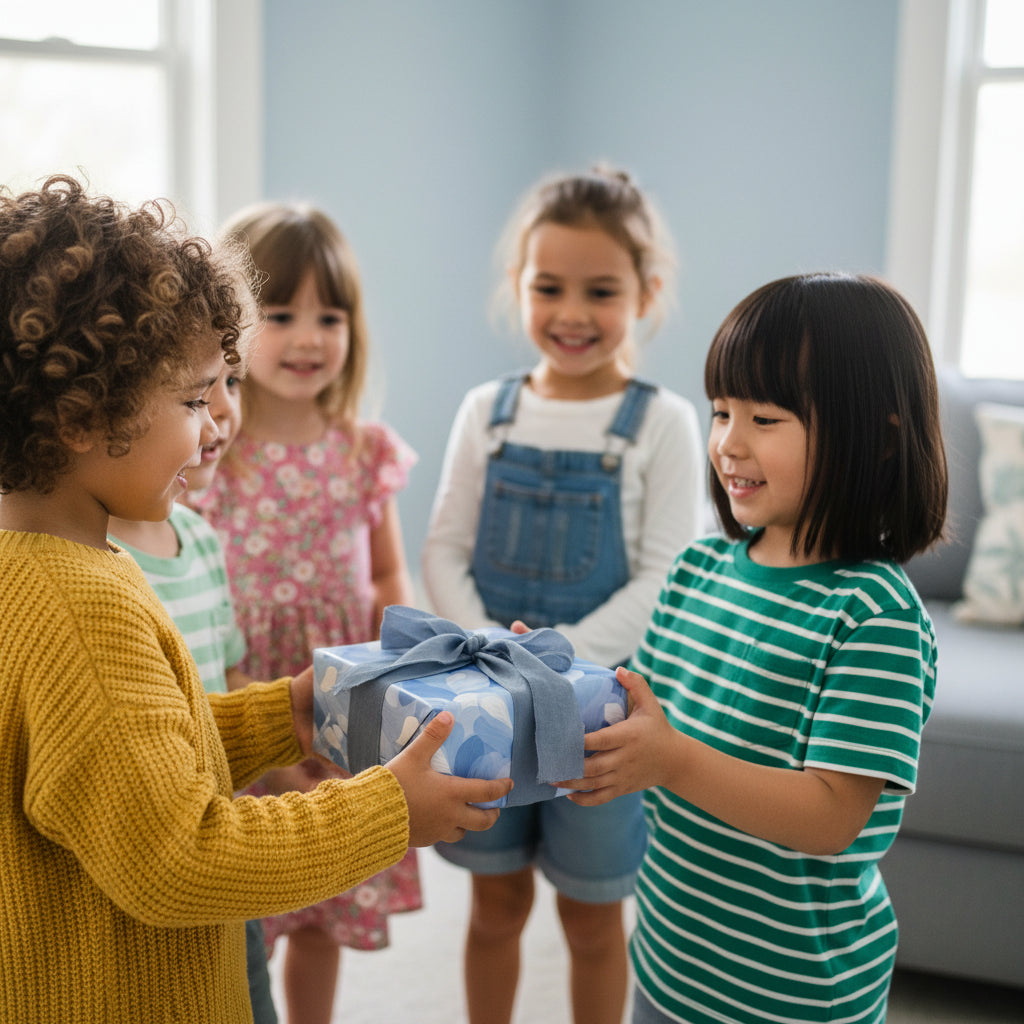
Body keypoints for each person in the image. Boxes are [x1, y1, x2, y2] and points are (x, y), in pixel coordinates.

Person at [0, 175, 511, 1024]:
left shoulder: (40, 567)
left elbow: (133, 766)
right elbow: (179, 856)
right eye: (194, 399)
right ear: (82, 417)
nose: (213, 428)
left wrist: (286, 714)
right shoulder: (83, 610)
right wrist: (388, 809)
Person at [557, 272, 949, 1024]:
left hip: (793, 999)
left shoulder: (875, 615)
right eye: (721, 412)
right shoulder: (697, 570)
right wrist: (555, 679)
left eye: (765, 418)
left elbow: (833, 816)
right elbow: (641, 715)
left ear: (880, 433)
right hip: (670, 965)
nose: (728, 443)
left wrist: (671, 760)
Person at [421, 166, 705, 1024]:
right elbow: (443, 547)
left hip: (598, 715)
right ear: (519, 287)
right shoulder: (487, 410)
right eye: (549, 287)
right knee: (495, 907)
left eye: (601, 290)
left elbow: (665, 575)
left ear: (646, 295)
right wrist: (489, 654)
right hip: (488, 705)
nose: (573, 312)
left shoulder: (664, 422)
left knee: (592, 916)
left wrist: (556, 665)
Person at [188, 200, 421, 1024]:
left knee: (327, 891)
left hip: (351, 694)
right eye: (281, 314)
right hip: (253, 691)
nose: (309, 336)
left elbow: (389, 568)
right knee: (255, 904)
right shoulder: (211, 454)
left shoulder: (364, 450)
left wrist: (399, 667)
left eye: (331, 315)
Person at [108, 368, 278, 1023]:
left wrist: (287, 722)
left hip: (221, 826)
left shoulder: (203, 539)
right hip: (162, 845)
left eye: (231, 382)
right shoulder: (97, 566)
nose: (221, 413)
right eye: (193, 395)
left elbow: (229, 675)